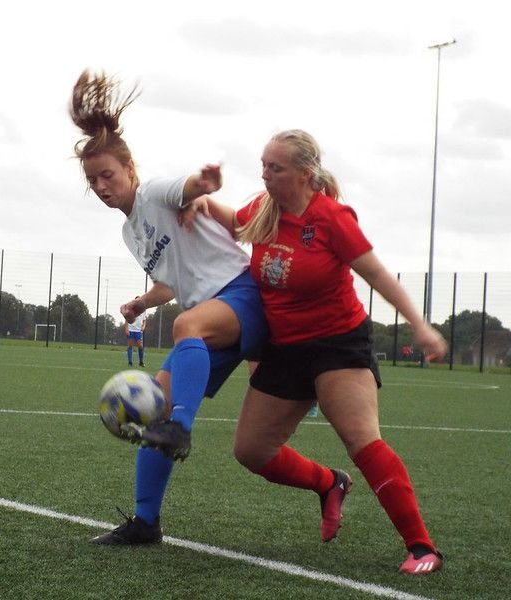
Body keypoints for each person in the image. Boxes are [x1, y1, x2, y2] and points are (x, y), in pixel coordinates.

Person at [181, 129, 446, 574]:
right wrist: (200, 202)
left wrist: (420, 326)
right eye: (263, 165)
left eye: (275, 168)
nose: (264, 175)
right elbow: (235, 220)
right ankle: (329, 484)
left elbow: (379, 276)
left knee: (362, 441)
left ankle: (423, 548)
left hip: (337, 345)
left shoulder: (332, 218)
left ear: (305, 174)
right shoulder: (265, 209)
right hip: (285, 348)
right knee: (252, 450)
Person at [70, 69, 268, 546]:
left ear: (130, 169)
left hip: (244, 294)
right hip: (207, 320)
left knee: (185, 332)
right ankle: (145, 522)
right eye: (92, 179)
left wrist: (203, 183)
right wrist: (141, 301)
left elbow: (187, 187)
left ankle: (182, 426)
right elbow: (172, 281)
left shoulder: (156, 191)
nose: (100, 185)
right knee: (152, 416)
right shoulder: (128, 231)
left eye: (108, 174)